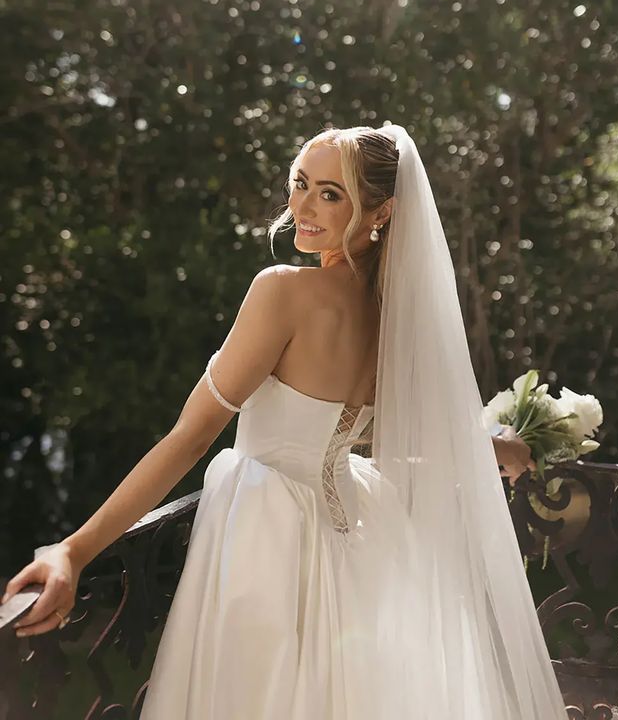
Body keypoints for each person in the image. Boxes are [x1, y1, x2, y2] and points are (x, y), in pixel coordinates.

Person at [1, 124, 565, 719]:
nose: (301, 207)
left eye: (330, 193)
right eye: (300, 184)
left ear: (381, 211)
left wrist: (74, 549)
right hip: (360, 538)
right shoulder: (395, 320)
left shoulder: (283, 292)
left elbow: (190, 439)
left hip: (267, 537)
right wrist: (496, 445)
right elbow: (384, 431)